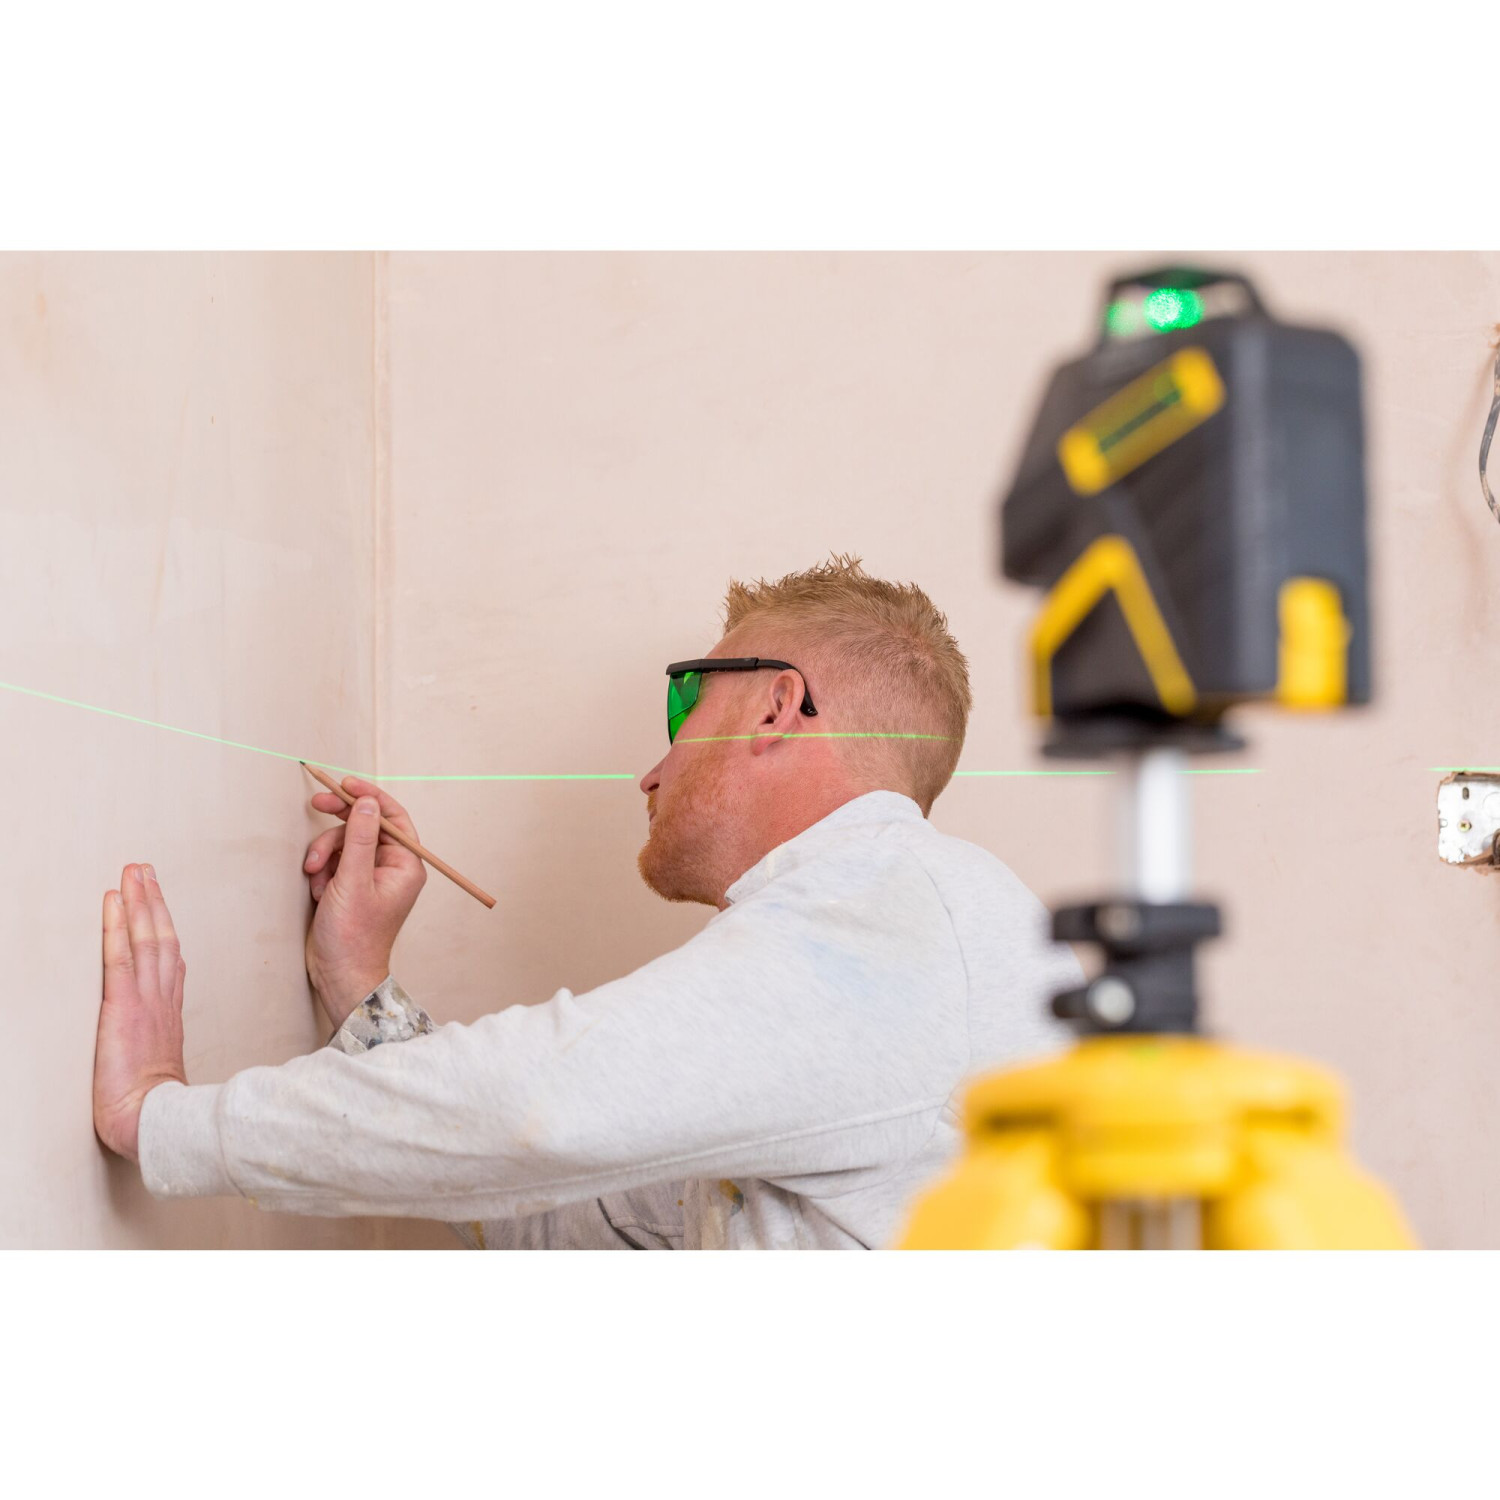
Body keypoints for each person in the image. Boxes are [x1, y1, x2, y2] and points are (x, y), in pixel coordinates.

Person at [93, 555, 1079, 1249]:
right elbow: (560, 1219)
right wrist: (359, 982)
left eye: (685, 706)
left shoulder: (890, 918)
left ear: (777, 706)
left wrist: (164, 1122)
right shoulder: (888, 950)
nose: (653, 773)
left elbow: (534, 1113)